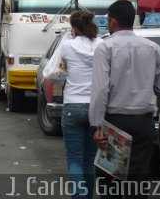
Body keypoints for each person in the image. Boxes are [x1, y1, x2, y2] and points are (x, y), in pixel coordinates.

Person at [89, 0, 160, 192]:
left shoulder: (105, 47)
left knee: (110, 178)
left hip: (115, 120)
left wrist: (96, 125)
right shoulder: (152, 48)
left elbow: (100, 89)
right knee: (138, 178)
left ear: (113, 21)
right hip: (143, 121)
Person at [58, 11, 103, 199]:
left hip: (72, 106)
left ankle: (79, 196)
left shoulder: (67, 45)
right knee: (90, 159)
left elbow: (62, 71)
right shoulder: (102, 45)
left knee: (74, 159)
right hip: (95, 107)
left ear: (74, 28)